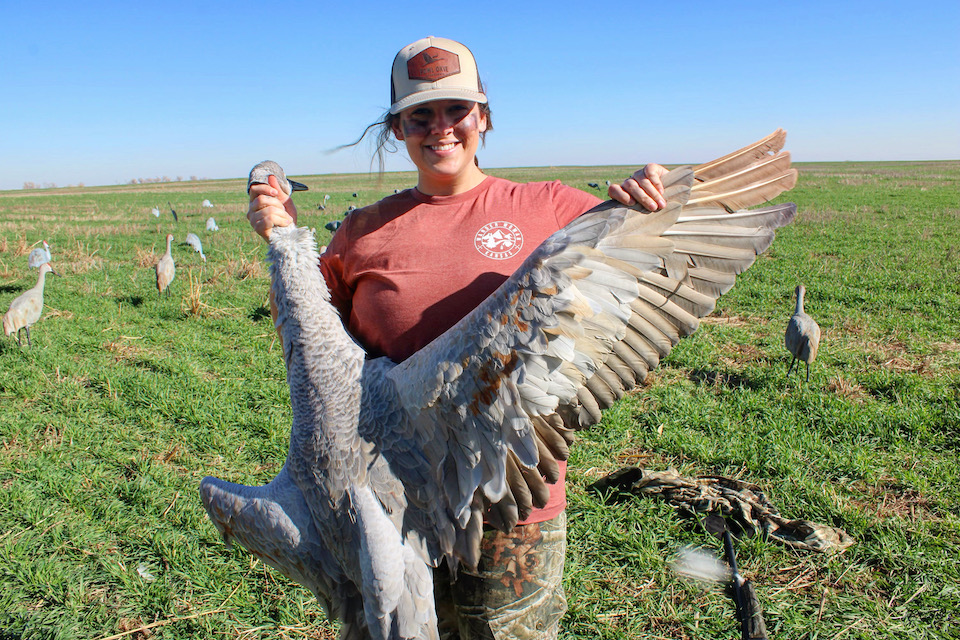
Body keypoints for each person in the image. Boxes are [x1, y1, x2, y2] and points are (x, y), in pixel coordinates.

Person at [248, 35, 667, 640]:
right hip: (386, 507)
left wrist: (650, 195)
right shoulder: (362, 233)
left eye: (456, 111)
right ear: (397, 128)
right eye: (420, 114)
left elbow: (651, 245)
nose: (440, 127)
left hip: (511, 507)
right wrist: (281, 240)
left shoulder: (550, 208)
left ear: (485, 118)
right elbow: (309, 340)